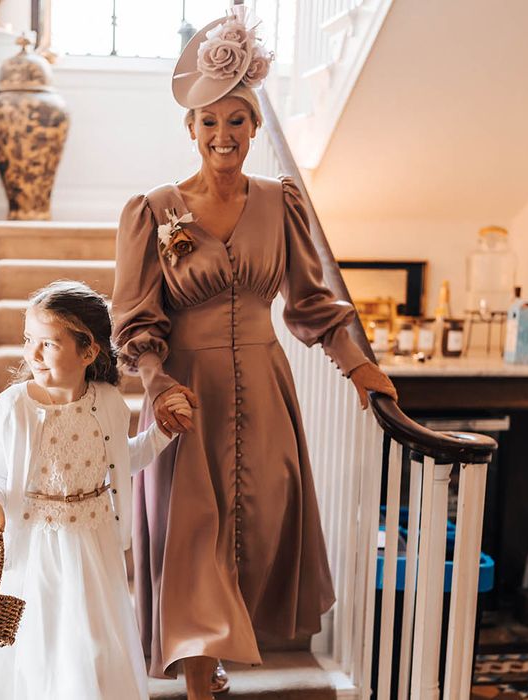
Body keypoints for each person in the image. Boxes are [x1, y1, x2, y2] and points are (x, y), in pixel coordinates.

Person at [111, 8, 398, 700]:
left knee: (260, 527)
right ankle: (201, 679)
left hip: (267, 393)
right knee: (192, 538)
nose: (223, 135)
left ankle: (223, 658)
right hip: (185, 394)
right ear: (190, 129)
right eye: (209, 122)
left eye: (236, 120)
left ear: (255, 126)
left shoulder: (281, 203)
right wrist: (156, 384)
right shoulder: (154, 211)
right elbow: (135, 317)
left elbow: (311, 304)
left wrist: (360, 368)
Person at [0, 280, 193, 700]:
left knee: (91, 647)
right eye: (28, 341)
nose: (32, 354)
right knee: (42, 650)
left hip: (92, 546)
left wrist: (161, 432)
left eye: (48, 344)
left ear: (88, 351)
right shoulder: (15, 406)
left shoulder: (108, 402)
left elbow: (124, 459)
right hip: (36, 548)